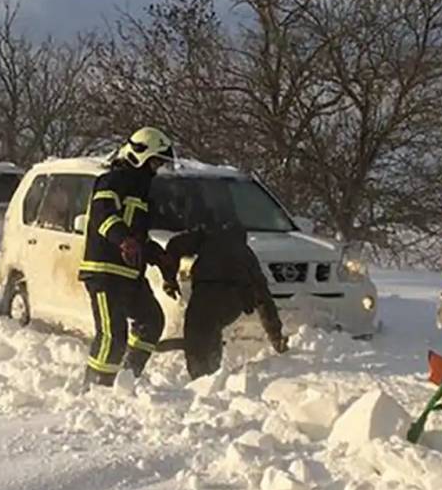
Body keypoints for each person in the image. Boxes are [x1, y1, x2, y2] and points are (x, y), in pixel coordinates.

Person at [79, 126, 176, 388]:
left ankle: (127, 378)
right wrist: (123, 239)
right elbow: (103, 216)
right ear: (139, 155)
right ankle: (96, 389)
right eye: (155, 161)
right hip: (104, 272)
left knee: (152, 321)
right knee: (113, 335)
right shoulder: (111, 182)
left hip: (130, 275)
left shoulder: (142, 192)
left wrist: (157, 255)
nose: (156, 168)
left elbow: (139, 236)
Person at [161, 219, 289, 379]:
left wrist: (169, 278)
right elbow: (264, 298)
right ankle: (212, 373)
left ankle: (200, 376)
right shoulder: (247, 255)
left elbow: (175, 245)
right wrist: (275, 336)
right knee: (211, 328)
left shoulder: (208, 238)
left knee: (196, 333)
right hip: (231, 301)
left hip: (205, 294)